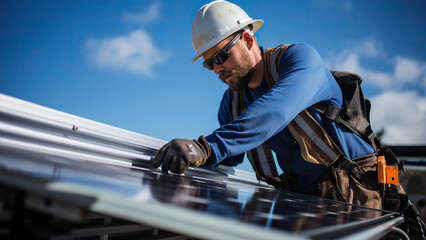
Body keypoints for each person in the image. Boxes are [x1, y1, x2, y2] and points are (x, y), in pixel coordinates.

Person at [153, 2, 426, 238]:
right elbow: (229, 156)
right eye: (208, 63)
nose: (216, 69)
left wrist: (205, 147)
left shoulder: (298, 60)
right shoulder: (232, 104)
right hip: (306, 207)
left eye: (222, 56)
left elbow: (275, 110)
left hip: (363, 197)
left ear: (248, 40)